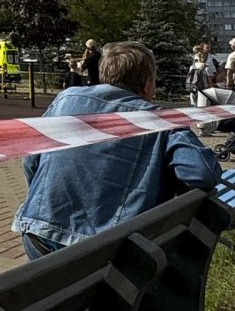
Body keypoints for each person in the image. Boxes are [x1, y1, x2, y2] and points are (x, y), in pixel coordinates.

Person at [12, 41, 222, 259]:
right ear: (147, 83)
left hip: (38, 235)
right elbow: (203, 172)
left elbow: (30, 159)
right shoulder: (160, 120)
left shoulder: (66, 99)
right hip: (108, 250)